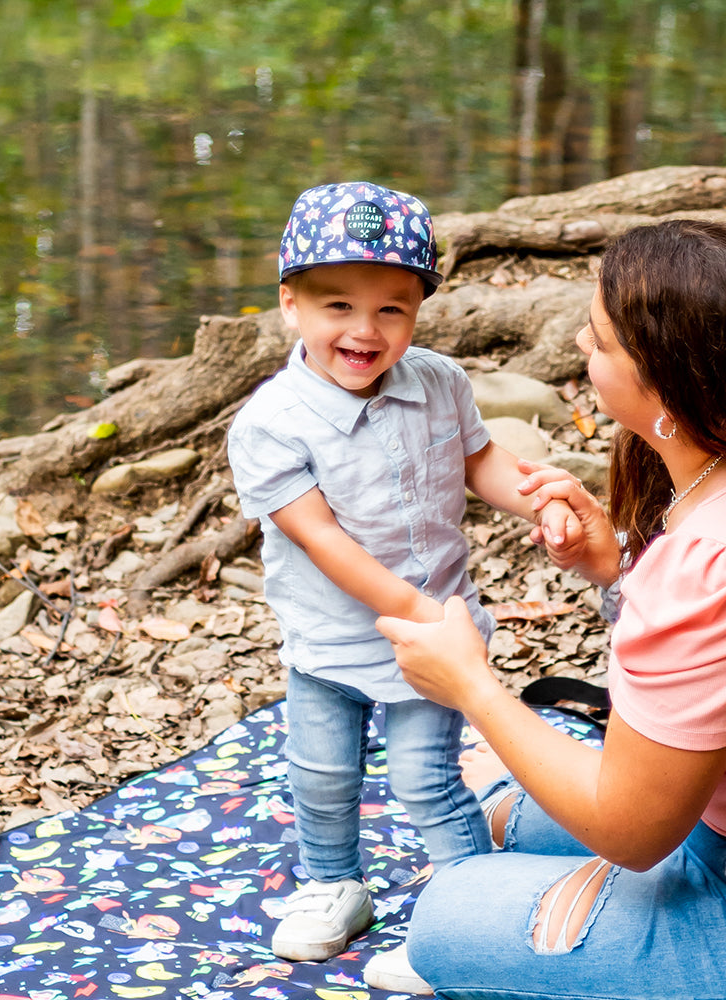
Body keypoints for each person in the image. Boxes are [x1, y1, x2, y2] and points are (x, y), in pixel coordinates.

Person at [365, 218, 726, 997]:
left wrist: (471, 686)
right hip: (704, 812)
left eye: (597, 340)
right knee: (509, 813)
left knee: (446, 918)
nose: (574, 343)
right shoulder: (702, 508)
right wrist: (617, 566)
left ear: (666, 380)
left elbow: (631, 833)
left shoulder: (705, 561)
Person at [226, 181, 581, 964]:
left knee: (427, 781)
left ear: (418, 311)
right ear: (290, 305)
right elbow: (321, 539)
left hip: (435, 642)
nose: (365, 329)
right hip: (332, 642)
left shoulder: (440, 382)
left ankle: (471, 901)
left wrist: (540, 500)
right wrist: (413, 607)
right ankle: (333, 884)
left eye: (392, 307)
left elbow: (479, 460)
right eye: (336, 306)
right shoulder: (270, 423)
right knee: (321, 776)